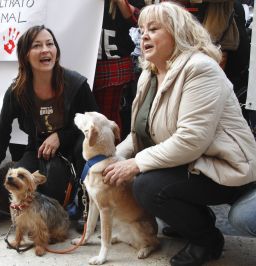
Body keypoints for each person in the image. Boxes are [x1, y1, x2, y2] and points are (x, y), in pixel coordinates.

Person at [102, 2, 256, 266]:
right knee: (142, 178)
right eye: (141, 30)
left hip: (226, 167)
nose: (143, 36)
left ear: (177, 32)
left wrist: (136, 163)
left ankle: (207, 240)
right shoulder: (149, 74)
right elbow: (139, 133)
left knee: (147, 186)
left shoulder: (200, 69)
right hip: (193, 164)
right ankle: (194, 219)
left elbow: (191, 140)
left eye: (153, 29)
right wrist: (111, 159)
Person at [0, 25, 98, 206]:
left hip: (75, 148)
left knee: (55, 193)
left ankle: (85, 201)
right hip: (38, 149)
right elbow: (2, 129)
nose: (45, 50)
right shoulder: (17, 91)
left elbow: (95, 121)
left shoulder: (76, 84)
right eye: (37, 46)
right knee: (15, 184)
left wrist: (61, 136)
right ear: (25, 54)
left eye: (50, 44)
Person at [93, 0, 144, 140]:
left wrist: (120, 3)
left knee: (106, 118)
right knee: (84, 116)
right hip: (85, 62)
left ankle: (109, 155)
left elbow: (142, 21)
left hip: (113, 67)